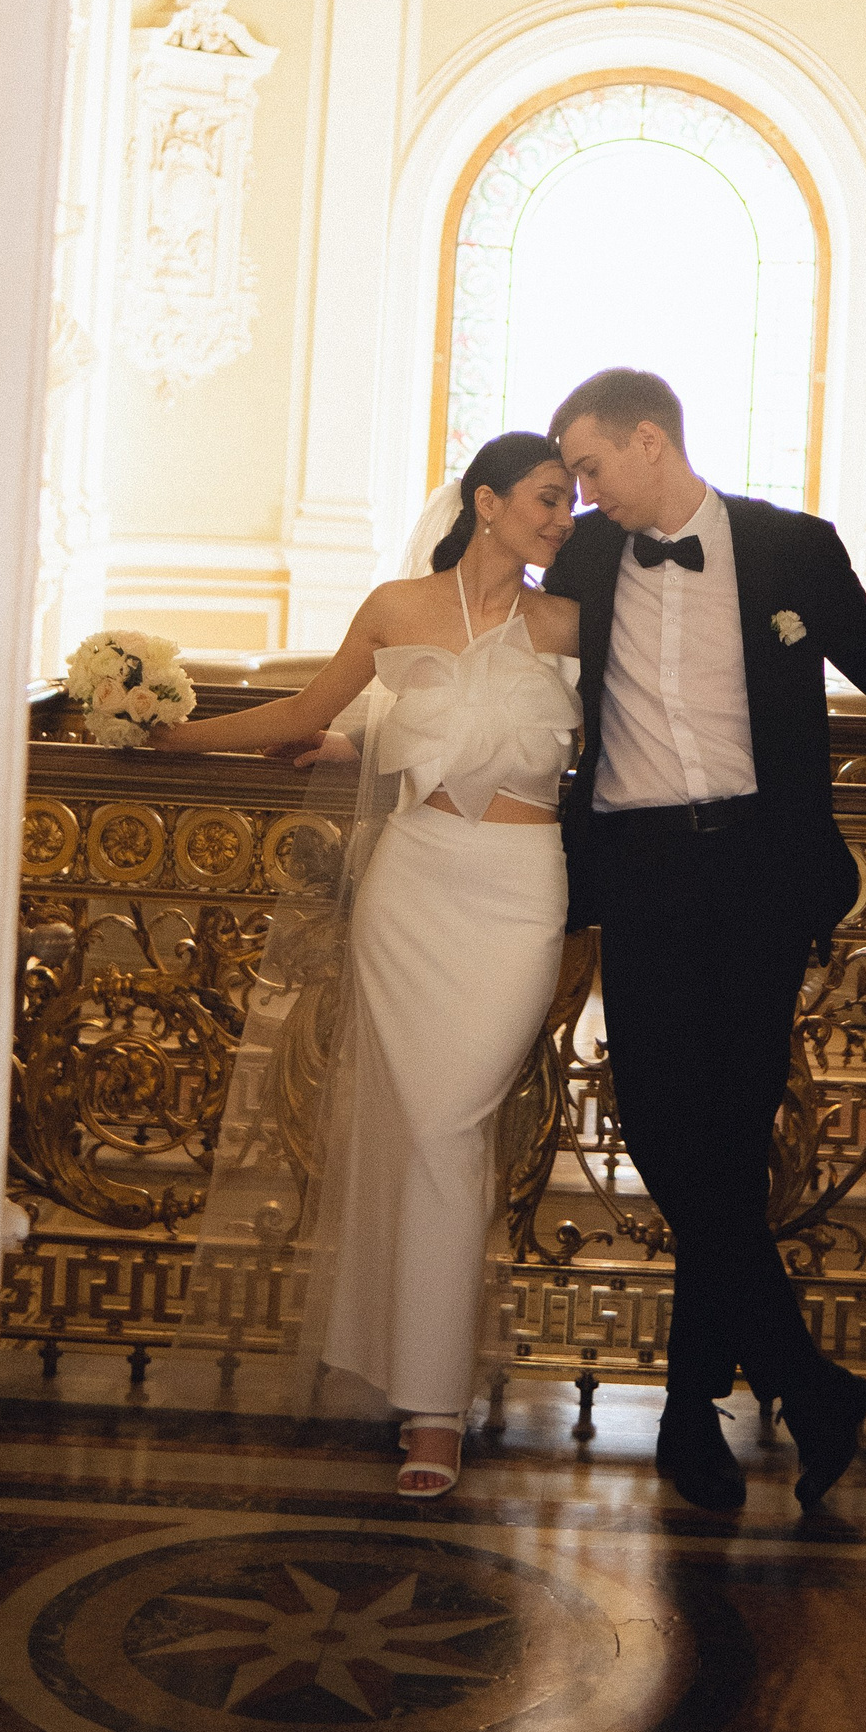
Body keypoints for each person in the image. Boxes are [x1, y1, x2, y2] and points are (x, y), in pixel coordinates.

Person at [544, 366, 866, 1515]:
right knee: (666, 1134)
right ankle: (806, 1382)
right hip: (640, 876)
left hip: (760, 878)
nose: (583, 494)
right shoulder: (584, 560)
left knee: (725, 1145)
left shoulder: (790, 549)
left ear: (650, 440)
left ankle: (693, 1414)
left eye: (591, 468)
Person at [154, 430, 580, 1498]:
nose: (561, 518)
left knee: (448, 1125)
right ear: (486, 503)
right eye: (545, 498)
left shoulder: (572, 621)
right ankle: (430, 1408)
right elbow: (309, 714)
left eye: (568, 502)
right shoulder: (396, 607)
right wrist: (171, 738)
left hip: (523, 892)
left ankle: (428, 1388)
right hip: (413, 886)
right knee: (416, 1133)